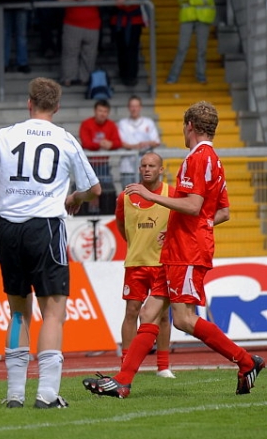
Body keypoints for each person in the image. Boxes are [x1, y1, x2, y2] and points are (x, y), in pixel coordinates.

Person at [83, 101, 265, 399]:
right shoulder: (211, 160)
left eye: (183, 126)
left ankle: (247, 362)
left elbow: (194, 206)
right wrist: (185, 225)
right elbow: (221, 211)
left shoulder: (199, 158)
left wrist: (153, 199)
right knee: (149, 312)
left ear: (189, 126)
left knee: (182, 319)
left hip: (187, 252)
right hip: (178, 247)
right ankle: (123, 381)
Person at [0, 77, 101, 409]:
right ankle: (46, 394)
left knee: (18, 314)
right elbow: (95, 190)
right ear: (56, 107)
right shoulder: (64, 139)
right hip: (45, 227)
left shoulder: (7, 135)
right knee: (53, 314)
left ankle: (15, 394)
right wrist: (76, 196)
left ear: (29, 103)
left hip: (9, 228)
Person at [114, 152, 175, 379]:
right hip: (136, 263)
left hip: (162, 263)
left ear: (161, 169)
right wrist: (136, 243)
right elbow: (121, 226)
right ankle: (126, 363)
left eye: (152, 166)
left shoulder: (172, 194)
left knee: (162, 315)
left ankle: (163, 365)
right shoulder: (125, 198)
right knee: (131, 312)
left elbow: (183, 221)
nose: (147, 169)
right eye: (143, 166)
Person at [166, 0, 215, 85]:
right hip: (187, 17)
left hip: (203, 18)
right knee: (182, 48)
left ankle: (201, 75)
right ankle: (173, 76)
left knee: (202, 49)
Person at [58, 0, 102, 87]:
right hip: (72, 25)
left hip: (92, 26)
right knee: (70, 53)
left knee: (89, 54)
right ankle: (68, 78)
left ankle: (85, 79)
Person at [79, 99, 121, 213]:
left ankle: (107, 216)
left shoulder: (111, 125)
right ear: (95, 111)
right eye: (100, 111)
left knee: (108, 191)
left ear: (108, 113)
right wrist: (100, 144)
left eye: (105, 111)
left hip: (104, 166)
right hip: (88, 165)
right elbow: (85, 143)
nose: (102, 114)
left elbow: (118, 142)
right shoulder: (86, 124)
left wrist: (111, 144)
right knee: (84, 191)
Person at [109, 0, 145, 87]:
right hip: (119, 21)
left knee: (132, 48)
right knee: (121, 48)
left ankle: (132, 75)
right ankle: (123, 74)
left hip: (134, 21)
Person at [117, 95, 160, 188]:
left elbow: (156, 141)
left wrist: (146, 143)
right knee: (128, 194)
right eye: (132, 106)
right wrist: (137, 146)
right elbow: (121, 143)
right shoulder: (122, 123)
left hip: (146, 167)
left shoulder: (148, 122)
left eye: (136, 106)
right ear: (128, 107)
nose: (134, 109)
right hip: (127, 166)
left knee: (147, 195)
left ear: (140, 107)